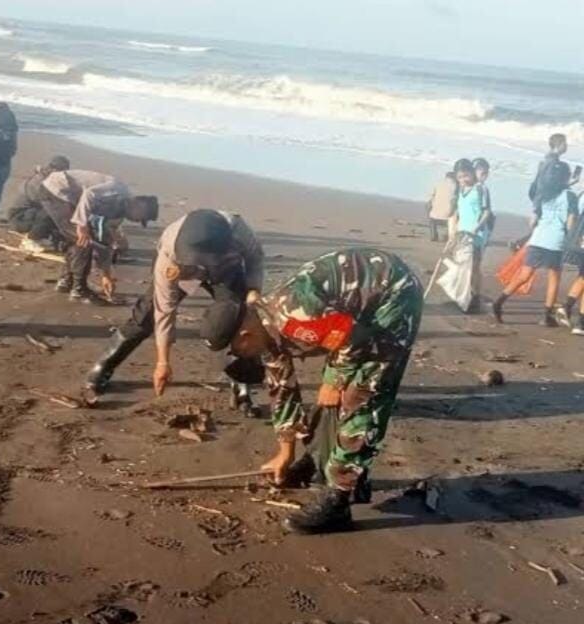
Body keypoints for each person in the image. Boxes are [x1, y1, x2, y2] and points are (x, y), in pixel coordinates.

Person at [201, 248, 422, 534]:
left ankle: (339, 500)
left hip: (392, 295)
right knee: (330, 396)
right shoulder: (263, 331)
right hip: (350, 319)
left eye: (237, 352)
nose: (244, 358)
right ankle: (318, 461)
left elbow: (353, 339)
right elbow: (282, 391)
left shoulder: (294, 319)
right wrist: (285, 453)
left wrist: (335, 381)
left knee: (361, 393)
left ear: (244, 336)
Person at [85, 209, 264, 414]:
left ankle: (242, 384)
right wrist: (163, 362)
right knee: (146, 316)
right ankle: (104, 366)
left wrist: (254, 288)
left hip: (226, 270)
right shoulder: (170, 252)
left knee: (236, 318)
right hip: (183, 270)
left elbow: (255, 258)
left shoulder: (238, 230)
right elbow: (164, 312)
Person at [39, 170, 158, 303]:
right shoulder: (119, 190)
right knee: (83, 240)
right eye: (141, 217)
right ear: (140, 204)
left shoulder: (118, 215)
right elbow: (89, 194)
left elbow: (105, 242)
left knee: (77, 239)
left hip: (69, 199)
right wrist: (81, 224)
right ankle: (79, 290)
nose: (137, 221)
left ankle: (67, 281)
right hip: (57, 189)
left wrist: (106, 276)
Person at [493, 160, 578, 326]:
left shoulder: (543, 194)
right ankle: (547, 315)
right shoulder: (570, 196)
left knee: (524, 275)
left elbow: (532, 221)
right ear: (566, 177)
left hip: (538, 239)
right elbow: (570, 221)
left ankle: (500, 301)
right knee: (554, 277)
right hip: (556, 241)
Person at [449, 158, 492, 313]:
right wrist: (453, 231)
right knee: (461, 265)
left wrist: (476, 228)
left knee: (474, 267)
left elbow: (486, 212)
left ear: (472, 173)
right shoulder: (460, 190)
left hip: (476, 235)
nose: (463, 179)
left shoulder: (480, 189)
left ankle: (475, 297)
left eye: (466, 175)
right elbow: (457, 213)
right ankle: (462, 296)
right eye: (460, 177)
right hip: (461, 233)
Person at [8, 155, 70, 252]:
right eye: (62, 172)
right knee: (51, 212)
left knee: (58, 211)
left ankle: (42, 236)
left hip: (30, 214)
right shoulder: (38, 182)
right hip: (18, 218)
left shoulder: (49, 179)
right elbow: (45, 203)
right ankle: (31, 240)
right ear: (54, 169)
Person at [556, 191, 584, 334]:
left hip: (579, 241)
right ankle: (581, 323)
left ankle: (567, 307)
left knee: (582, 277)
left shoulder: (582, 195)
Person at [426, 171, 456, 242]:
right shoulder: (455, 186)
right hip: (448, 216)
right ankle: (447, 234)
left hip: (434, 215)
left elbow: (430, 198)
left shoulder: (437, 183)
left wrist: (430, 207)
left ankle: (433, 235)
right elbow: (455, 200)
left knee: (430, 214)